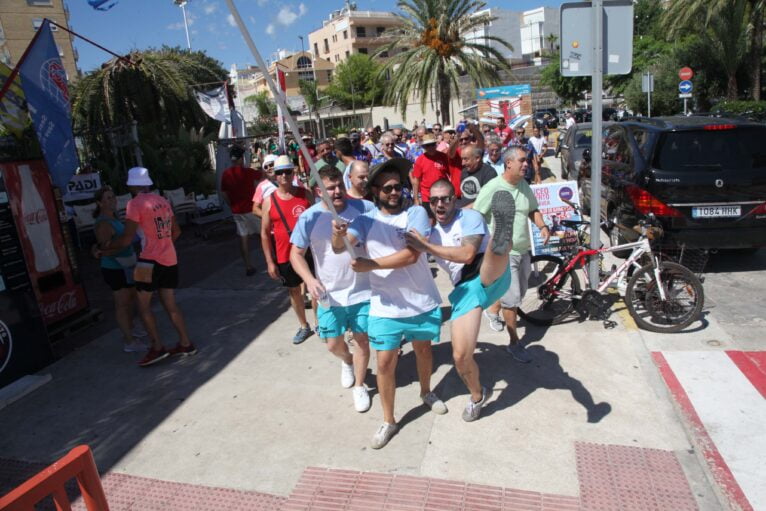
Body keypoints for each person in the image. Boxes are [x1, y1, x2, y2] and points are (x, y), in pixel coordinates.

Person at [332, 158, 448, 449]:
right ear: (374, 191)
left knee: (423, 351)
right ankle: (389, 420)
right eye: (387, 188)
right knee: (384, 362)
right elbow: (338, 247)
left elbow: (412, 255)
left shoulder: (417, 214)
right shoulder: (364, 221)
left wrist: (371, 264)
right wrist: (338, 234)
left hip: (421, 301)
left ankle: (425, 391)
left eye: (398, 186)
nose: (394, 192)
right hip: (385, 306)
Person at [404, 179, 515, 421]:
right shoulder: (430, 234)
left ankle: (504, 236)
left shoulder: (470, 217)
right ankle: (478, 395)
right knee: (460, 357)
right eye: (434, 200)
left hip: (490, 274)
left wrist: (426, 246)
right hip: (465, 291)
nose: (440, 204)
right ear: (429, 204)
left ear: (455, 199)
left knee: (494, 252)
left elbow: (467, 255)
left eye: (445, 198)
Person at [290, 166, 374, 412]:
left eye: (340, 185)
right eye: (330, 188)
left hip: (363, 290)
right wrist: (310, 279)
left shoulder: (364, 209)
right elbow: (295, 254)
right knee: (332, 344)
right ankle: (346, 361)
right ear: (319, 191)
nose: (337, 191)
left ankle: (360, 386)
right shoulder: (309, 217)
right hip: (329, 293)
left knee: (362, 341)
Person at [104, 167, 196, 367]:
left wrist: (106, 248)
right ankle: (186, 343)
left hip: (147, 261)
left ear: (131, 184)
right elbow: (176, 231)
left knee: (143, 306)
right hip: (170, 258)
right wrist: (164, 246)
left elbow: (127, 238)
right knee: (170, 304)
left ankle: (157, 347)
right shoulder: (163, 201)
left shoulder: (134, 204)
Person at [474, 147, 550, 363]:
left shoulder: (524, 185)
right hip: (503, 254)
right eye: (522, 161)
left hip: (525, 250)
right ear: (508, 163)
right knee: (512, 299)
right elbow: (477, 215)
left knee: (520, 292)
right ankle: (514, 343)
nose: (527, 164)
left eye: (527, 161)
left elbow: (532, 209)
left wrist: (542, 226)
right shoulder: (493, 188)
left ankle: (493, 309)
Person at [261, 155, 316, 345]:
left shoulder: (305, 194)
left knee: (315, 288)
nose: (284, 175)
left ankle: (320, 324)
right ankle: (304, 325)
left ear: (294, 173)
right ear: (274, 176)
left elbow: (319, 220)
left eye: (287, 171)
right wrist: (270, 262)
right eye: (279, 172)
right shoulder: (269, 201)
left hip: (309, 252)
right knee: (294, 291)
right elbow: (264, 234)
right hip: (285, 255)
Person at [92, 185, 146, 353]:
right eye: (107, 198)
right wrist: (124, 244)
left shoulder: (114, 218)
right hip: (114, 268)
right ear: (99, 203)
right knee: (122, 304)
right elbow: (104, 249)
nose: (112, 200)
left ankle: (131, 328)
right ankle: (129, 341)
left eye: (113, 197)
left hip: (126, 266)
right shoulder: (103, 223)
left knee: (131, 299)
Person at [220, 145, 264, 276]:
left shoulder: (226, 174)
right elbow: (263, 174)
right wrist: (261, 159)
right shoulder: (248, 172)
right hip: (251, 209)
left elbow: (224, 193)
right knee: (263, 234)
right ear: (241, 158)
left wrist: (231, 204)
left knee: (243, 238)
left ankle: (248, 266)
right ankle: (272, 259)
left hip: (236, 210)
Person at [410, 133, 456, 207]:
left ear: (436, 144)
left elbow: (452, 174)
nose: (431, 147)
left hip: (444, 193)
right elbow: (416, 181)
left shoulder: (443, 157)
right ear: (424, 146)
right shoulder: (420, 160)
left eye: (432, 144)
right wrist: (416, 199)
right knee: (430, 218)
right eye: (428, 145)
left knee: (445, 216)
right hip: (427, 196)